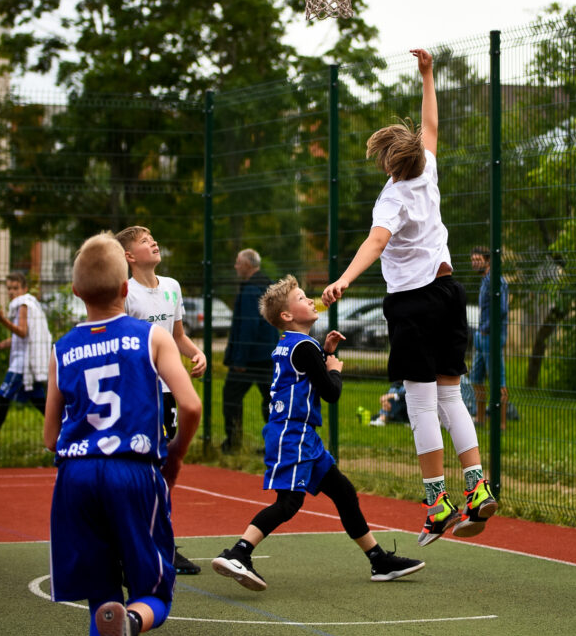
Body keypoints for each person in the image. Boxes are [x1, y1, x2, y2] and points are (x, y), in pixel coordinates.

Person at [322, 48, 497, 546]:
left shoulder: (393, 197)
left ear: (388, 162)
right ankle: (477, 486)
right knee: (451, 396)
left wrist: (345, 279)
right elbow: (432, 126)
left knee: (420, 405)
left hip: (413, 305)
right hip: (449, 293)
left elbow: (376, 242)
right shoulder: (428, 172)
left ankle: (437, 502)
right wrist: (427, 75)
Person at [45, 233, 201, 636]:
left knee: (101, 596)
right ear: (125, 287)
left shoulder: (62, 349)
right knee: (156, 593)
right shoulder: (149, 336)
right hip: (132, 470)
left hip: (75, 476)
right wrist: (174, 455)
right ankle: (133, 621)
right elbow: (190, 405)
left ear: (76, 292)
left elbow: (50, 436)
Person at [211, 275, 424, 588]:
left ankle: (378, 559)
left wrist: (324, 353)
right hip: (293, 433)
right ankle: (239, 552)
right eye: (301, 298)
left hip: (300, 435)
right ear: (286, 315)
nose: (310, 300)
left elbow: (305, 374)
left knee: (343, 491)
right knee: (289, 503)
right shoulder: (304, 346)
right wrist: (334, 370)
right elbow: (330, 392)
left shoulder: (293, 345)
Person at [115, 226, 206, 576]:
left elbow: (177, 335)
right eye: (144, 241)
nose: (153, 242)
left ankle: (160, 542)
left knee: (164, 468)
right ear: (129, 256)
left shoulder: (172, 287)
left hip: (167, 392)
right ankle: (133, 545)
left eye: (153, 237)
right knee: (142, 469)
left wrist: (196, 352)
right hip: (138, 394)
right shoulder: (126, 293)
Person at [0, 272, 52, 456]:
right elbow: (20, 338)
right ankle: (63, 434)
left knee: (3, 396)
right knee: (40, 402)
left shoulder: (23, 304)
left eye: (15, 288)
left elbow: (21, 332)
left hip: (23, 364)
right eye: (9, 288)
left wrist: (2, 321)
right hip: (27, 362)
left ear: (24, 288)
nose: (11, 292)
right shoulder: (29, 304)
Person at [221, 249, 279, 453]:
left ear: (247, 265)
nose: (236, 266)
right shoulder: (268, 286)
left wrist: (239, 360)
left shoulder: (250, 290)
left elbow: (248, 326)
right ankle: (276, 445)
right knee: (272, 400)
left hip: (250, 359)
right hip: (267, 354)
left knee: (231, 396)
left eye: (238, 263)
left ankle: (233, 441)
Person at [468, 246, 509, 431]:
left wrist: (485, 329)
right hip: (481, 337)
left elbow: (502, 310)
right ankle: (480, 418)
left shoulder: (496, 280)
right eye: (473, 260)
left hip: (492, 336)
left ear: (488, 261)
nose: (474, 263)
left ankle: (501, 425)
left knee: (498, 381)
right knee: (476, 379)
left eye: (478, 260)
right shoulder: (485, 281)